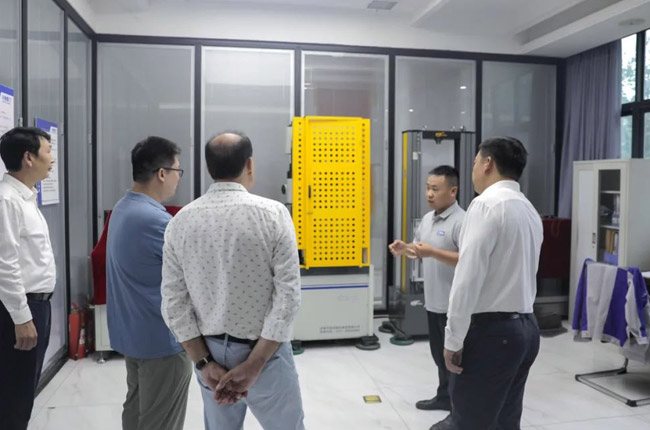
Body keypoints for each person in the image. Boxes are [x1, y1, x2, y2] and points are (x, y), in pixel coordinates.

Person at [161, 131, 304, 430]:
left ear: (209, 168)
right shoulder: (273, 215)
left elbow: (174, 303)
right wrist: (255, 363)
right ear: (249, 164)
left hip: (210, 354)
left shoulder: (180, 222)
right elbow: (288, 296)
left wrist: (203, 363)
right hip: (266, 352)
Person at [431, 137, 543, 430]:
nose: (473, 170)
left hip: (493, 333)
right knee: (506, 420)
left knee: (470, 421)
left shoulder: (485, 205)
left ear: (487, 163)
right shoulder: (529, 209)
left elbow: (467, 277)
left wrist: (453, 339)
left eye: (474, 162)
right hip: (526, 329)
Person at [106, 136, 192, 430]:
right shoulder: (155, 220)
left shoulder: (123, 208)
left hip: (134, 334)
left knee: (136, 411)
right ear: (162, 173)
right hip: (161, 342)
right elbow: (192, 275)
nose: (179, 178)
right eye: (178, 171)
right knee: (160, 421)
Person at [389, 165, 465, 413]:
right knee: (438, 355)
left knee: (455, 359)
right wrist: (405, 248)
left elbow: (467, 259)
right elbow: (420, 250)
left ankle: (458, 407)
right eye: (428, 188)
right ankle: (444, 397)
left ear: (452, 191)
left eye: (435, 189)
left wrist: (432, 252)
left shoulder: (462, 221)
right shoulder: (428, 219)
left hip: (455, 305)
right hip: (433, 301)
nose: (429, 194)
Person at [0, 127, 56, 430]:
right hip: (19, 310)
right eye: (48, 151)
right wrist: (21, 318)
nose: (52, 159)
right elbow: (4, 264)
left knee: (22, 390)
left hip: (36, 305)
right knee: (14, 395)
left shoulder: (24, 198)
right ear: (28, 157)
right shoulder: (7, 200)